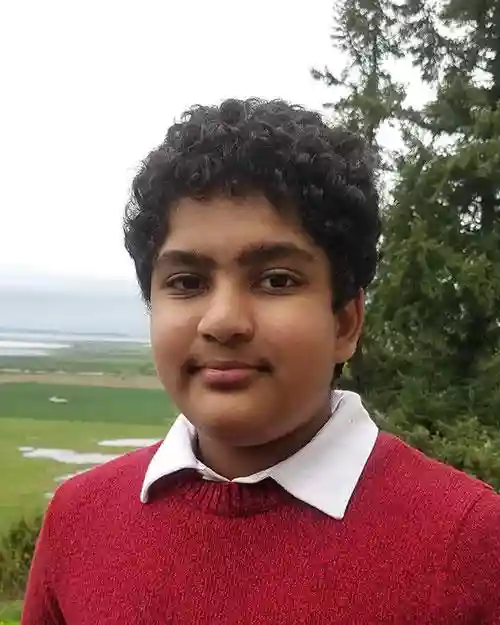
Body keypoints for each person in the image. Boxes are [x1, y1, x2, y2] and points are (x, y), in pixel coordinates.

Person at [22, 98, 500, 624]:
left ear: (345, 322)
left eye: (276, 280)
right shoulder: (79, 519)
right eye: (187, 282)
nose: (223, 321)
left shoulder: (470, 544)